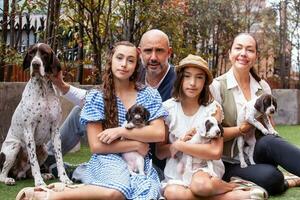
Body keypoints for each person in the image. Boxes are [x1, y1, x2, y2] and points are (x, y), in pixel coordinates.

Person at [16, 41, 167, 200]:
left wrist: (121, 131)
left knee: (143, 193)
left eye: (130, 60)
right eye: (120, 58)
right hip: (107, 157)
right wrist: (137, 144)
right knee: (117, 191)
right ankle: (51, 196)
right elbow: (97, 146)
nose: (124, 64)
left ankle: (70, 188)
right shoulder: (97, 97)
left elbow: (158, 133)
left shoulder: (149, 94)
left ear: (137, 65)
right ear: (111, 61)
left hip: (138, 161)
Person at [44, 29, 176, 180]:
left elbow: (161, 132)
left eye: (159, 51)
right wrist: (62, 85)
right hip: (119, 138)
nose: (153, 57)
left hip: (152, 151)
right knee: (79, 112)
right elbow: (95, 99)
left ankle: (81, 171)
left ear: (169, 53)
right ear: (140, 53)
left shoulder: (179, 83)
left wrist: (123, 132)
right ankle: (47, 157)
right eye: (148, 51)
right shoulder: (132, 72)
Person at [156, 54, 267, 200]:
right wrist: (175, 146)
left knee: (201, 186)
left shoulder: (212, 109)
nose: (192, 83)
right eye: (187, 76)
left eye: (199, 77)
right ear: (180, 79)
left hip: (204, 166)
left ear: (206, 82)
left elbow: (215, 151)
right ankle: (234, 194)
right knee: (173, 194)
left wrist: (181, 145)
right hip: (178, 168)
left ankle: (230, 186)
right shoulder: (167, 108)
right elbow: (160, 153)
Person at [210, 32, 300, 196]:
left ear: (256, 56)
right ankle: (286, 180)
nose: (243, 53)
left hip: (257, 151)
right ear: (230, 53)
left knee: (272, 141)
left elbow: (270, 126)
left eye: (249, 50)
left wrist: (270, 130)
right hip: (230, 161)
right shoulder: (216, 86)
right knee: (272, 178)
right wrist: (243, 128)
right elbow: (212, 135)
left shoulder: (262, 86)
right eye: (238, 48)